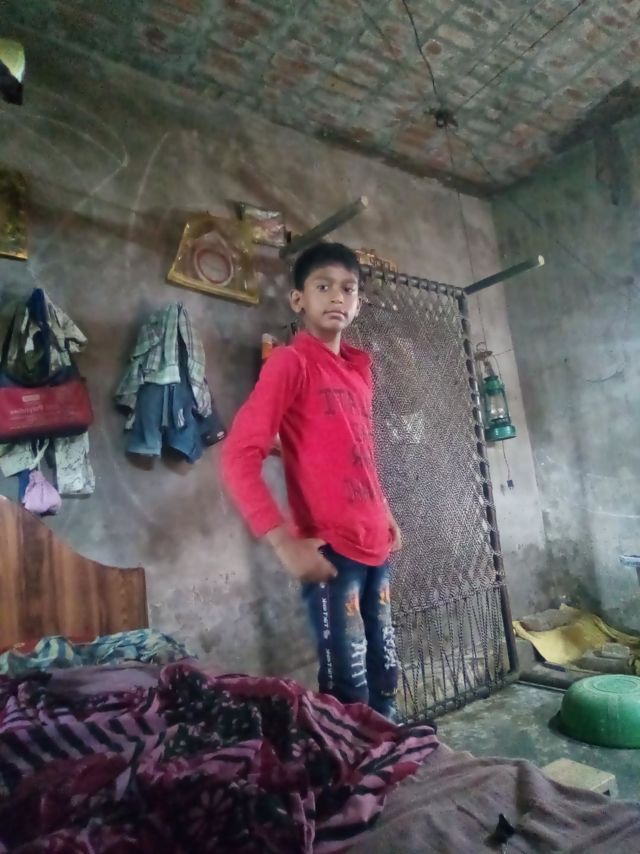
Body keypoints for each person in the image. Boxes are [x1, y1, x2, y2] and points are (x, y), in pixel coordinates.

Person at [222, 242, 401, 719]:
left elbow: (360, 450)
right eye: (323, 286)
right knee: (349, 688)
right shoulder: (290, 363)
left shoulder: (359, 371)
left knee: (386, 673)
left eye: (348, 289)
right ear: (298, 300)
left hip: (376, 544)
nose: (337, 297)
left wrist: (384, 510)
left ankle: (393, 754)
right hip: (331, 552)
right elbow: (238, 455)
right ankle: (351, 761)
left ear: (358, 302)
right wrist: (283, 541)